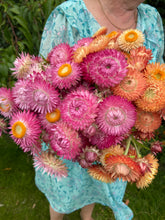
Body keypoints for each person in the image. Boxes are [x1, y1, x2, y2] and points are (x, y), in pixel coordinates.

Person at [35, 1, 164, 220]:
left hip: (115, 139)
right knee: (62, 190)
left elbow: (157, 71)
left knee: (98, 177)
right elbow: (42, 78)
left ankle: (88, 216)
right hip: (67, 135)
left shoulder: (151, 18)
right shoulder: (69, 15)